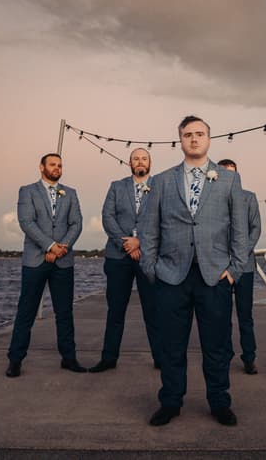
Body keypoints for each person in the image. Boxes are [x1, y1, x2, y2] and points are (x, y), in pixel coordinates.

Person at [140, 115, 248, 427]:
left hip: (214, 276)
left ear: (209, 139)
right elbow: (149, 231)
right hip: (171, 276)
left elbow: (239, 231)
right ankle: (170, 402)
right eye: (188, 134)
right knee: (172, 346)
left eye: (200, 134)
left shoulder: (229, 180)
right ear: (180, 140)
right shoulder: (161, 181)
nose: (194, 139)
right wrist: (152, 269)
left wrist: (235, 270)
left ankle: (219, 402)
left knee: (216, 346)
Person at [6, 153, 86, 377]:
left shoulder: (70, 193)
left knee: (65, 312)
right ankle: (15, 360)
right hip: (35, 261)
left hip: (64, 261)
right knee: (26, 312)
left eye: (60, 165)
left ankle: (69, 358)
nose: (57, 168)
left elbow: (76, 223)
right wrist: (50, 246)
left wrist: (63, 247)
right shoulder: (27, 191)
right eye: (52, 164)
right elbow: (27, 222)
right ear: (41, 167)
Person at [90, 148, 160, 372]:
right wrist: (126, 244)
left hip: (148, 256)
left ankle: (160, 358)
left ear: (150, 163)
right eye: (136, 158)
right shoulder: (116, 186)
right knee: (116, 310)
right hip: (117, 257)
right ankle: (109, 358)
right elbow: (107, 217)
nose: (140, 162)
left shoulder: (160, 187)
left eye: (144, 158)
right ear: (129, 163)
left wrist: (139, 241)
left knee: (153, 310)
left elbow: (164, 218)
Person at [218, 158, 261, 375]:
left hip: (244, 266)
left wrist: (240, 254)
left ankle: (249, 357)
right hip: (220, 268)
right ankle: (225, 355)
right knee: (222, 316)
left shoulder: (249, 198)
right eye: (224, 172)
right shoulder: (212, 201)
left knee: (245, 315)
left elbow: (256, 229)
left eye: (232, 173)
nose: (229, 176)